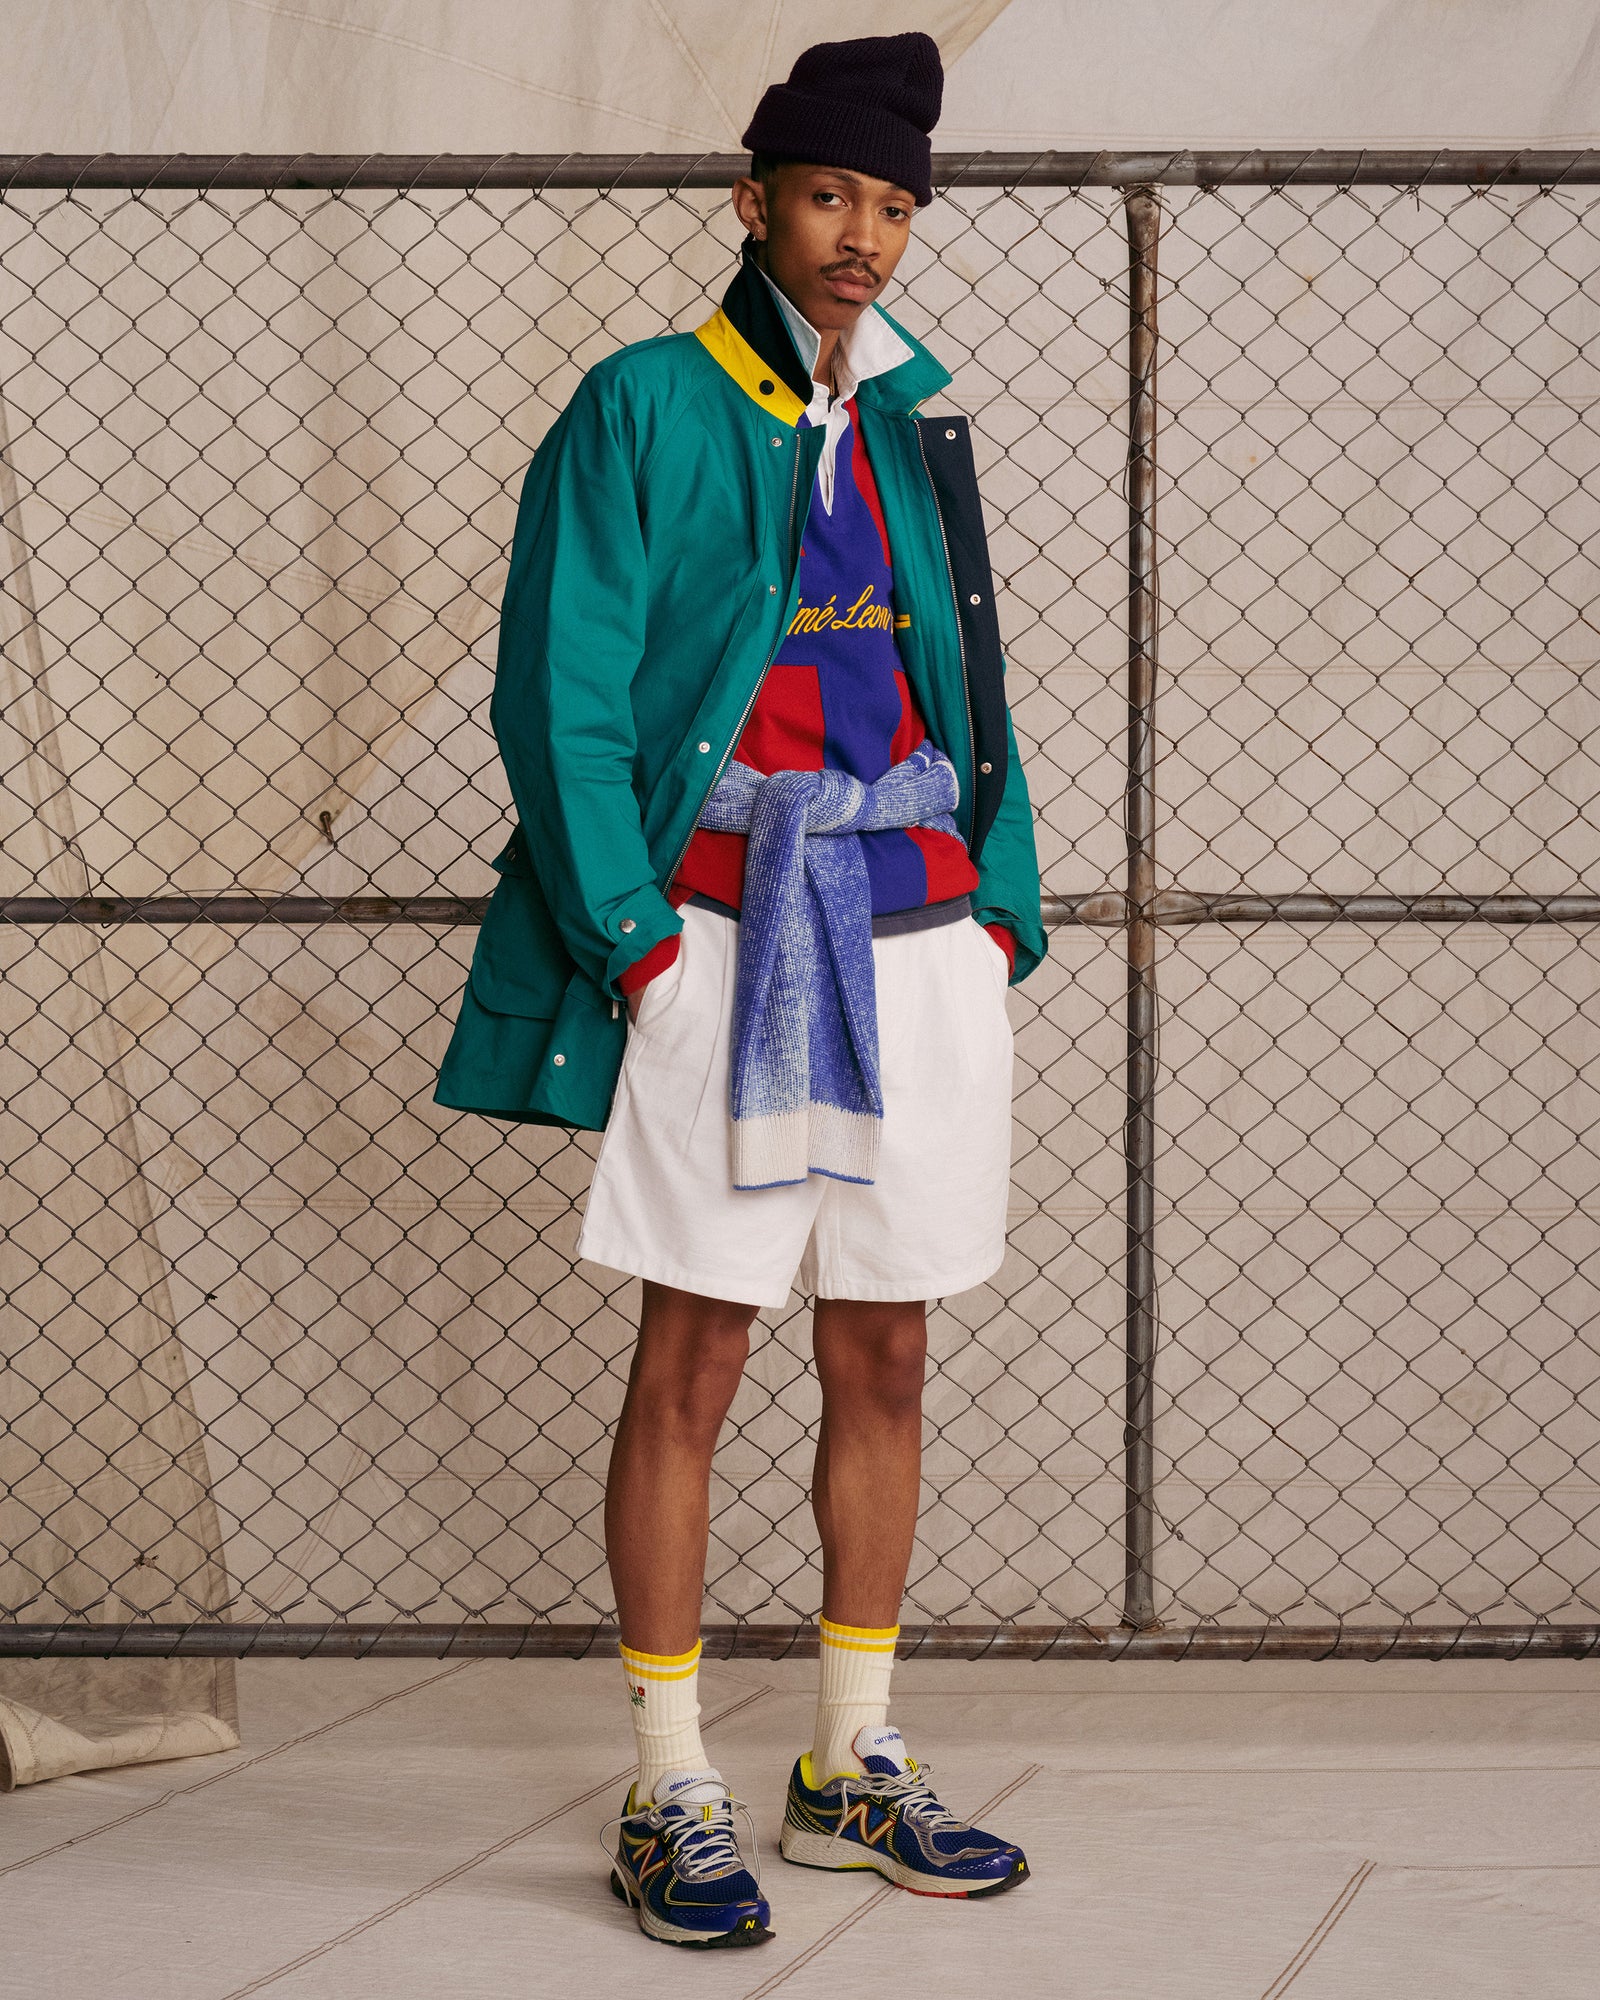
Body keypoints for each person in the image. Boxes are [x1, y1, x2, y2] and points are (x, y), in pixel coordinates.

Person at [435, 29, 1045, 1950]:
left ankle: (850, 1759)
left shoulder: (917, 417)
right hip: (725, 925)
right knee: (696, 1353)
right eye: (831, 195)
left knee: (888, 1349)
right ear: (754, 198)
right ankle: (669, 1782)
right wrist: (631, 933)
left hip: (918, 927)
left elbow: (973, 679)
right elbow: (560, 685)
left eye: (894, 206)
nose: (864, 235)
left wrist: (1004, 905)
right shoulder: (640, 405)